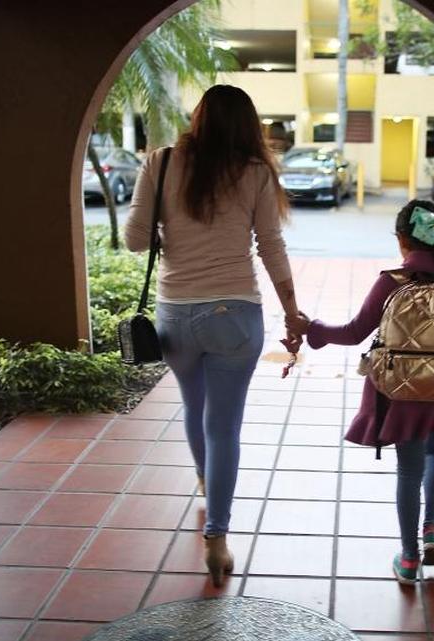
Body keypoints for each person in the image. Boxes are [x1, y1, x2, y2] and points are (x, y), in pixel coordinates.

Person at [124, 85, 301, 587]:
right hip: (235, 314)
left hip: (175, 315)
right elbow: (271, 244)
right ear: (249, 125)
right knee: (224, 426)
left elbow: (135, 241)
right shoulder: (255, 172)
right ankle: (217, 540)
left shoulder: (159, 162)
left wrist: (169, 228)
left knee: (193, 407)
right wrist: (292, 312)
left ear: (197, 118)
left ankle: (206, 484)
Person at [287, 200, 434, 584]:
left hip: (401, 389)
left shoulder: (391, 281)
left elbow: (355, 332)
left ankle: (408, 559)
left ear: (402, 239)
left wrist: (314, 330)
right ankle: (433, 531)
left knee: (409, 470)